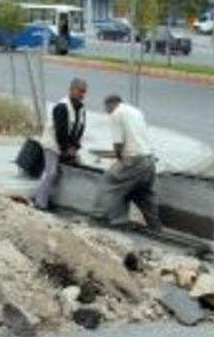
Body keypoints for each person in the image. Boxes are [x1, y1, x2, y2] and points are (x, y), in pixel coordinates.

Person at [94, 95, 161, 230]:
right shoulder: (136, 112)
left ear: (110, 105)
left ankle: (101, 217)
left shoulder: (116, 113)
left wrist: (119, 158)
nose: (107, 113)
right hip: (148, 159)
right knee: (141, 193)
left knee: (108, 181)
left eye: (106, 110)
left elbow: (118, 143)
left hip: (134, 159)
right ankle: (155, 226)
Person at [33, 78, 88, 210]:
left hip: (66, 145)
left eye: (84, 92)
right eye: (79, 91)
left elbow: (80, 129)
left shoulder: (81, 109)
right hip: (52, 143)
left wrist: (75, 147)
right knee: (51, 172)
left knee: (73, 170)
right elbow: (60, 131)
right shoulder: (62, 107)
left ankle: (56, 200)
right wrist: (66, 149)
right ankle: (40, 203)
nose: (82, 94)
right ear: (71, 90)